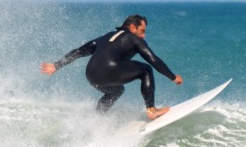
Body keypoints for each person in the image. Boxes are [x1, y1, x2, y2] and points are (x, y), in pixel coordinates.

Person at [41, 15, 183, 119]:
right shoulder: (133, 38)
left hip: (91, 75)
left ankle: (96, 118)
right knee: (146, 69)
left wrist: (56, 65)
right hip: (110, 70)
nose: (143, 35)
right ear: (133, 28)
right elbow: (153, 59)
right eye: (142, 30)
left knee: (116, 91)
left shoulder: (107, 36)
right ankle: (151, 110)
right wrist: (173, 77)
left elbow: (81, 51)